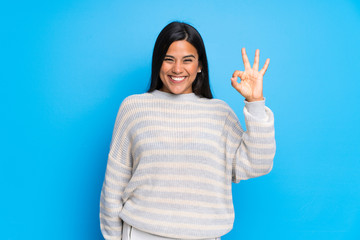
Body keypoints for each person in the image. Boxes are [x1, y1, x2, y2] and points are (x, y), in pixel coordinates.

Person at [99, 21, 276, 240]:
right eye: (168, 59)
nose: (177, 69)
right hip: (141, 234)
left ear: (200, 65)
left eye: (187, 60)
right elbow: (113, 185)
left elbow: (259, 163)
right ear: (158, 63)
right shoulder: (134, 108)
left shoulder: (219, 113)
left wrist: (255, 102)